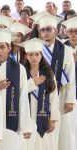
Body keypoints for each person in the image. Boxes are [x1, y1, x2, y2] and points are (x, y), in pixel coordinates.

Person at [37, 13, 76, 150]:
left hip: (62, 95)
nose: (45, 32)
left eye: (49, 29)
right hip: (41, 96)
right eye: (43, 30)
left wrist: (70, 99)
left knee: (63, 131)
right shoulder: (37, 49)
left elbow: (71, 75)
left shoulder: (65, 50)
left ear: (56, 30)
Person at [0, 28, 32, 138]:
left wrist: (25, 126)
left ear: (9, 48)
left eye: (2, 47)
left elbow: (23, 97)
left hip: (12, 121)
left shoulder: (19, 69)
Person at [20, 38, 60, 150]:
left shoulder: (48, 73)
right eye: (31, 55)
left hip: (43, 116)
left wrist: (53, 119)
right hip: (27, 116)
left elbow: (54, 98)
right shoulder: (22, 73)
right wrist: (32, 83)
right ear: (26, 56)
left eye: (37, 54)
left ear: (41, 56)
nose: (34, 57)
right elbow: (17, 92)